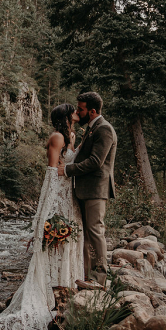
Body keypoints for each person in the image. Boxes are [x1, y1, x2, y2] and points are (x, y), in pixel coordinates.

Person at [0, 104, 84, 330]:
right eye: (73, 111)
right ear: (66, 116)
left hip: (70, 197)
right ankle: (48, 294)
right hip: (56, 198)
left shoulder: (70, 136)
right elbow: (51, 174)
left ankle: (66, 290)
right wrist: (44, 215)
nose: (76, 113)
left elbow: (70, 163)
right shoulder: (57, 137)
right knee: (54, 241)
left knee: (68, 241)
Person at [58, 92, 117, 287]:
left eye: (81, 109)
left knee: (95, 231)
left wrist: (67, 170)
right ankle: (87, 275)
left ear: (92, 111)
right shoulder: (92, 128)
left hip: (96, 189)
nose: (77, 111)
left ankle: (99, 279)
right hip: (85, 189)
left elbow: (95, 162)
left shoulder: (104, 129)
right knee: (87, 234)